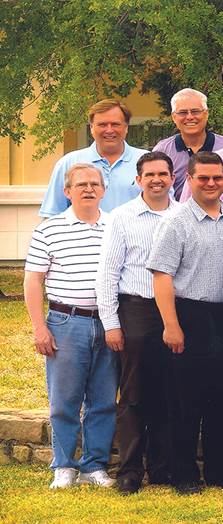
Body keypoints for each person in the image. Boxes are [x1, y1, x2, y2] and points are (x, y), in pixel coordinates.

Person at [147, 151, 223, 494]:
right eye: (203, 178)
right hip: (189, 315)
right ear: (189, 180)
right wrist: (171, 325)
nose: (210, 184)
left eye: (216, 178)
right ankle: (185, 474)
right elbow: (161, 276)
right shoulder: (176, 222)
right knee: (185, 401)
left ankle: (221, 471)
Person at [25, 164, 118, 489]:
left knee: (104, 400)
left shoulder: (116, 227)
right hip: (66, 322)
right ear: (67, 191)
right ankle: (64, 466)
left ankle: (94, 466)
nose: (89, 189)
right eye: (81, 185)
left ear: (104, 190)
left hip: (109, 324)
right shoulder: (49, 229)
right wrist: (40, 328)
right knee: (64, 400)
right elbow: (33, 280)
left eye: (95, 184)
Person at [95, 151, 179, 494]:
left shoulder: (184, 215)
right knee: (133, 394)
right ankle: (130, 470)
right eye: (150, 174)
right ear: (138, 179)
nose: (157, 179)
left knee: (169, 392)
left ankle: (162, 467)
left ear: (173, 178)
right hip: (137, 310)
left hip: (175, 311)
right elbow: (107, 272)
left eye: (163, 173)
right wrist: (111, 323)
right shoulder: (122, 217)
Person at [40, 99, 148, 217]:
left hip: (134, 235)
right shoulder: (69, 163)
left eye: (115, 124)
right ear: (91, 128)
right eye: (102, 125)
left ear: (126, 127)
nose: (109, 130)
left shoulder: (146, 162)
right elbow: (52, 214)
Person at [152, 88, 223, 200]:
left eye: (195, 111)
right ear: (174, 117)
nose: (190, 117)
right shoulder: (163, 151)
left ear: (206, 114)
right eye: (183, 112)